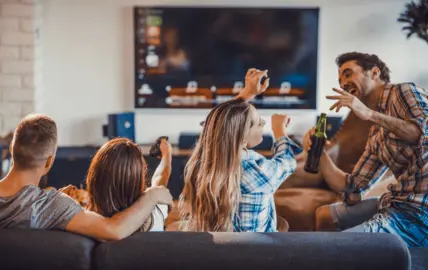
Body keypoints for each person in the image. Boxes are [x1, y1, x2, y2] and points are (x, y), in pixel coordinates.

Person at [0, 114, 173, 241]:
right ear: (49, 162)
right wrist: (152, 195)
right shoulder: (53, 207)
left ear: (12, 149)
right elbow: (114, 230)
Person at [304, 52, 428, 247]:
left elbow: (423, 133)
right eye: (340, 79)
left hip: (420, 212)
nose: (343, 83)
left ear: (374, 72)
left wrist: (369, 113)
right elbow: (353, 188)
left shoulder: (403, 92)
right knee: (324, 216)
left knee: (338, 247)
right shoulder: (376, 133)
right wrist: (320, 153)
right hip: (397, 202)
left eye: (348, 74)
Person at [179, 68, 302, 232]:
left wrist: (246, 94)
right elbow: (287, 162)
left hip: (213, 249)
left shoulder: (202, 163)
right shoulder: (256, 171)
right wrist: (280, 133)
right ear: (242, 138)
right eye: (259, 122)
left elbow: (216, 125)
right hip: (253, 252)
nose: (264, 124)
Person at [85, 137, 172, 232]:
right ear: (136, 178)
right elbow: (160, 179)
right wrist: (167, 155)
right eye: (144, 169)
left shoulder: (84, 222)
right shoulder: (154, 216)